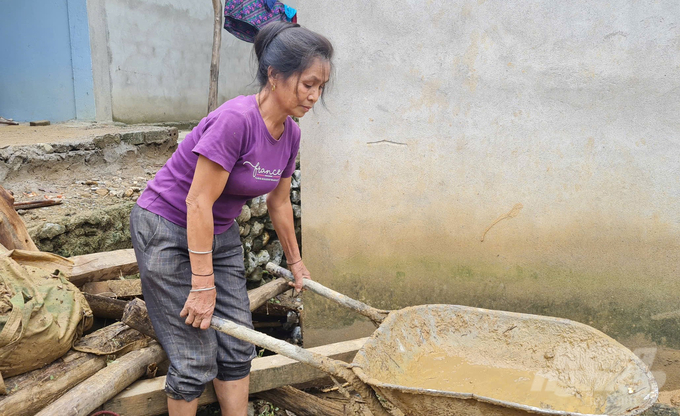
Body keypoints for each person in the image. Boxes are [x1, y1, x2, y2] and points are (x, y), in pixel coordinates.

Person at [129, 21, 333, 416]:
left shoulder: (290, 134)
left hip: (218, 231)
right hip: (166, 225)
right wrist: (202, 284)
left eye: (320, 87)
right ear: (274, 75)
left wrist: (296, 262)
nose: (314, 96)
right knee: (194, 358)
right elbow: (197, 202)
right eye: (308, 84)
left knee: (239, 345)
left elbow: (278, 203)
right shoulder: (236, 120)